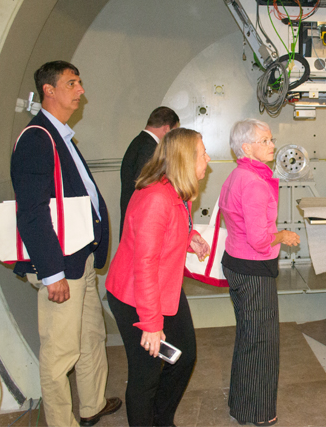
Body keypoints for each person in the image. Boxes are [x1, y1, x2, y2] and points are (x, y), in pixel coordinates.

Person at [10, 61, 121, 426]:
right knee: (60, 352)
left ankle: (92, 405)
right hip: (61, 264)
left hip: (81, 259)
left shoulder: (60, 135)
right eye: (72, 83)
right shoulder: (36, 138)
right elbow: (32, 212)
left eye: (80, 82)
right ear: (49, 90)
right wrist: (52, 272)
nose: (80, 90)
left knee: (91, 336)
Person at [106, 127, 211, 426]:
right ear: (184, 161)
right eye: (202, 154)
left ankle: (161, 419)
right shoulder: (156, 198)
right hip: (134, 296)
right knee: (146, 374)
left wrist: (190, 236)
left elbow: (171, 227)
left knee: (185, 355)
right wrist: (151, 326)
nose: (208, 159)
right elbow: (145, 265)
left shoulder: (178, 190)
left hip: (163, 287)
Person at [220, 119, 300, 426]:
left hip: (237, 264)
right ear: (246, 148)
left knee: (248, 337)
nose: (272, 145)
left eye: (270, 139)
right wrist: (283, 235)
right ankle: (258, 413)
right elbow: (258, 238)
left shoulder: (238, 175)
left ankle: (240, 406)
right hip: (254, 270)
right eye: (265, 141)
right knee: (262, 343)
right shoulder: (253, 183)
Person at [119, 106, 180, 237]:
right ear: (167, 129)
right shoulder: (150, 149)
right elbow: (146, 190)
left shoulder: (138, 142)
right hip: (140, 224)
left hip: (132, 219)